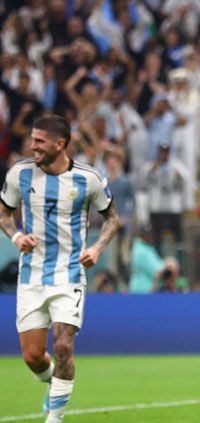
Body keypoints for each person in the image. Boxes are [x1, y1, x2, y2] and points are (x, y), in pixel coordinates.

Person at [0, 115, 121, 423]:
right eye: (32, 139)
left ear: (60, 144)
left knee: (64, 345)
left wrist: (96, 248)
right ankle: (53, 382)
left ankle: (54, 418)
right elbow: (4, 212)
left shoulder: (88, 179)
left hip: (69, 275)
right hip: (31, 276)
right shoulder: (19, 174)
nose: (32, 146)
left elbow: (112, 219)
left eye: (39, 141)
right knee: (31, 356)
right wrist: (16, 236)